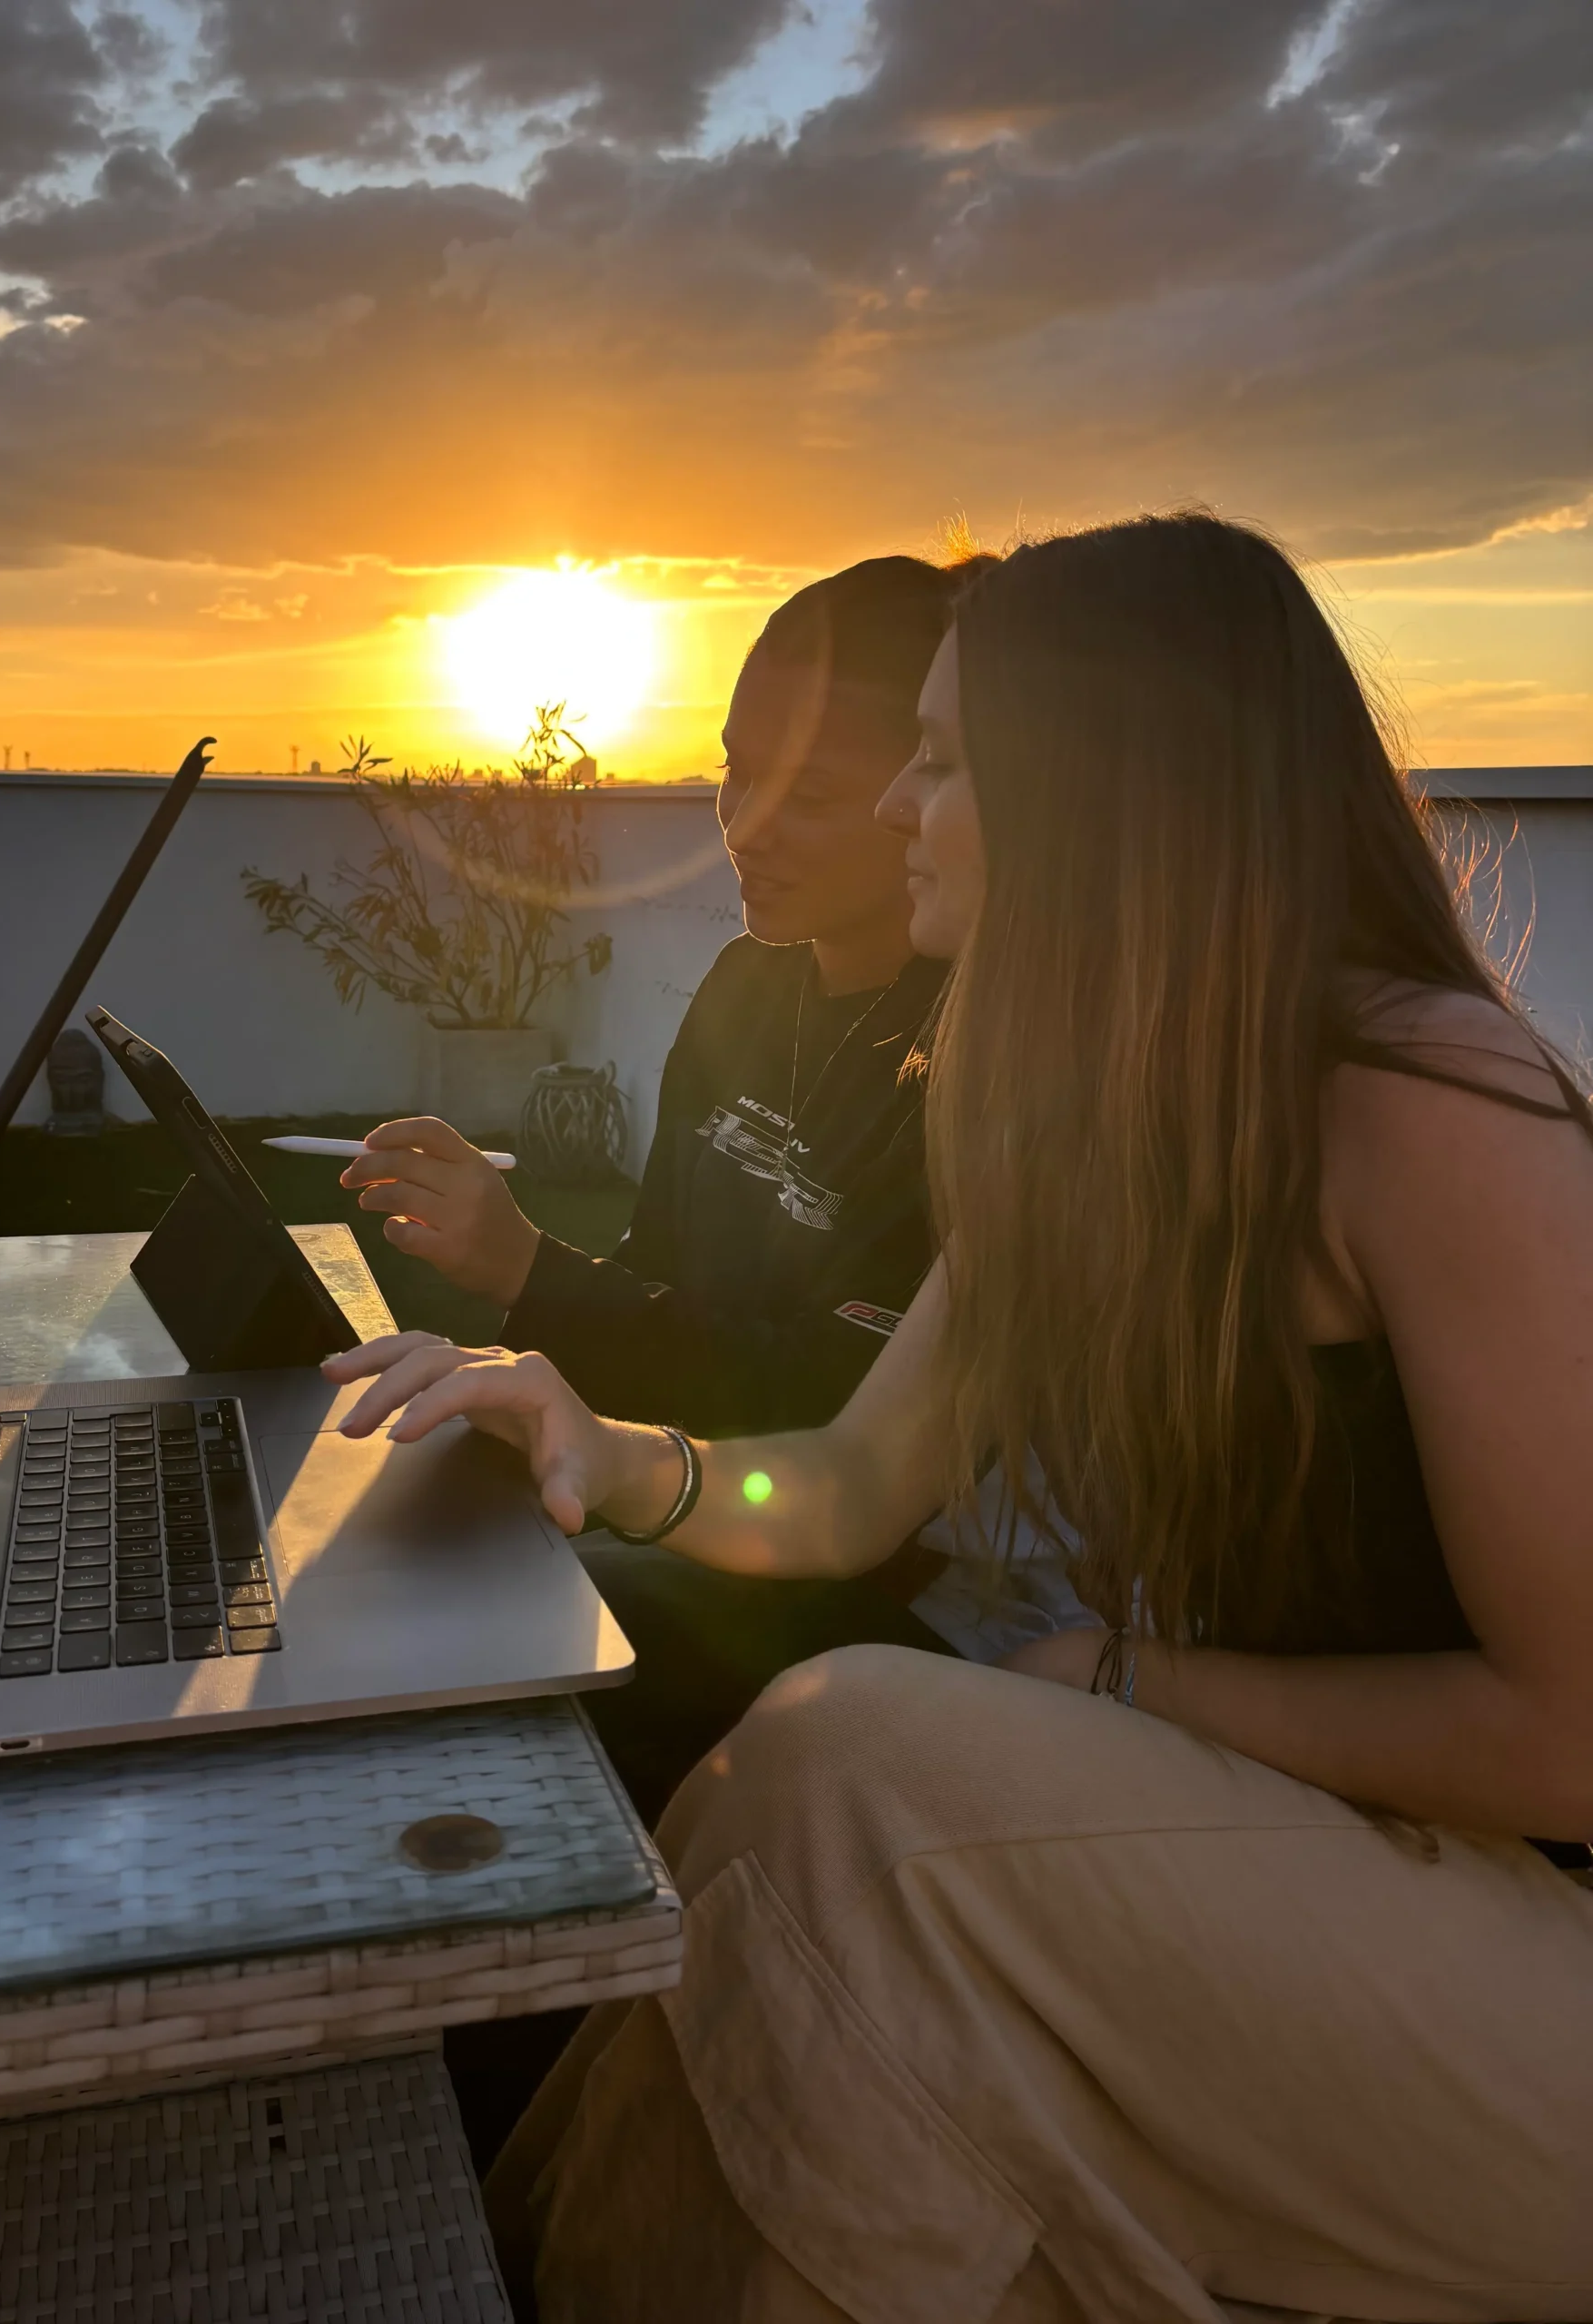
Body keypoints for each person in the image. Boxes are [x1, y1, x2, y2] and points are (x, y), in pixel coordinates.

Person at [325, 512, 1593, 2319]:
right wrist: (611, 1454)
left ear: (1103, 788)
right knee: (806, 1826)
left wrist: (1119, 1685)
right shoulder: (1074, 1128)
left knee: (853, 1774)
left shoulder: (1428, 1097)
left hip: (1532, 1954)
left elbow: (1576, 1735)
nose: (901, 805)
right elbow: (846, 1484)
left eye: (940, 758)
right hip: (1309, 1849)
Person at [342, 556, 994, 1822]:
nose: (743, 823)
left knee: (492, 1666)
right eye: (734, 769)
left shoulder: (981, 1060)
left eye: (808, 792)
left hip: (873, 1576)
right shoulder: (749, 991)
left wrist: (533, 1274)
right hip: (694, 1497)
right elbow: (659, 1279)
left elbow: (831, 1407)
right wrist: (519, 1353)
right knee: (394, 1541)